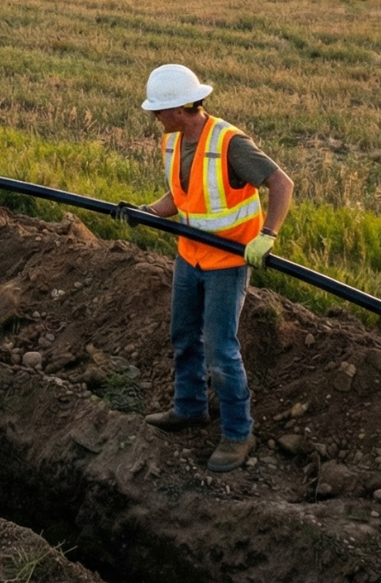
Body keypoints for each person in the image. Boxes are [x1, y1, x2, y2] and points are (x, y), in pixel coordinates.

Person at [136, 63, 293, 473]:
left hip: (227, 261)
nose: (155, 117)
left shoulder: (230, 143)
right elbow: (182, 195)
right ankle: (188, 408)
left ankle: (239, 434)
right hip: (189, 255)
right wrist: (150, 212)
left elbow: (282, 184)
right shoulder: (173, 142)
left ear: (181, 108)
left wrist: (269, 234)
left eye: (159, 110)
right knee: (184, 336)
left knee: (220, 351)